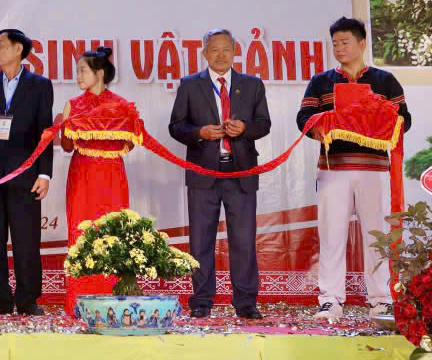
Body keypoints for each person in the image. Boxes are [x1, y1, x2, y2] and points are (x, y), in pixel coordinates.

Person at [298, 17, 412, 321]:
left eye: (345, 42)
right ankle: (330, 299)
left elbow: (404, 120)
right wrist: (318, 126)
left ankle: (381, 299)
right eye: (335, 43)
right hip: (333, 168)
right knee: (331, 235)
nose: (339, 48)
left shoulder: (384, 80)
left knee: (377, 235)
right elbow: (303, 117)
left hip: (374, 170)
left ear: (362, 44)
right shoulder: (321, 82)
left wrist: (378, 114)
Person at [168, 28, 271, 320]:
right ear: (204, 53)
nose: (221, 55)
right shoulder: (190, 85)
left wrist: (245, 129)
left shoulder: (252, 85)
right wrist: (199, 133)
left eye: (226, 49)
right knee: (201, 241)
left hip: (241, 173)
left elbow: (264, 123)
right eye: (214, 49)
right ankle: (201, 302)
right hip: (203, 173)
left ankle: (246, 303)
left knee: (243, 241)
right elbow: (176, 126)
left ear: (235, 51)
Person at [0, 28, 54, 316]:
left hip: (25, 175)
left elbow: (45, 133)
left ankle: (27, 300)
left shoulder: (40, 85)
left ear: (18, 49)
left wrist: (44, 174)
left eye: (0, 45)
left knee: (26, 241)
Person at [56, 47, 130, 316]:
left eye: (83, 71)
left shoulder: (122, 105)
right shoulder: (73, 104)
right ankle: (79, 301)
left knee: (113, 234)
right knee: (81, 233)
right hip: (83, 174)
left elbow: (129, 144)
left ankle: (112, 300)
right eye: (77, 71)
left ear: (100, 73)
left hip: (112, 175)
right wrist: (67, 127)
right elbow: (66, 146)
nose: (78, 76)